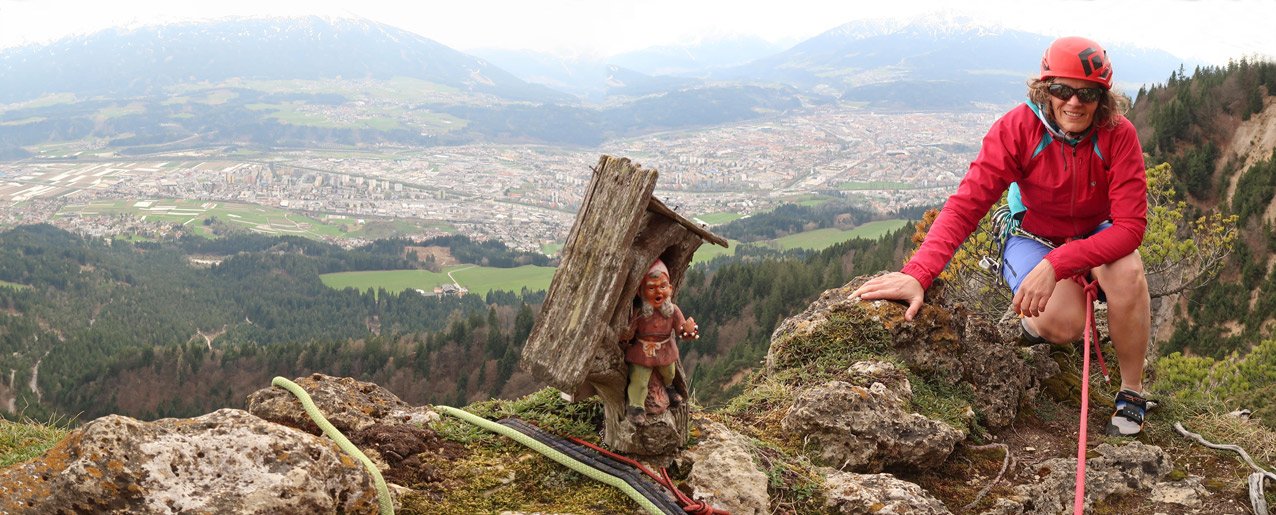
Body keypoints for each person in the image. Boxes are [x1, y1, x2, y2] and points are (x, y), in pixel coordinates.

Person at [850, 36, 1153, 436]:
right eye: (1062, 90)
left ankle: (1132, 390)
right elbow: (966, 205)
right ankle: (1036, 326)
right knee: (1063, 324)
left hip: (1092, 231)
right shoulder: (1017, 129)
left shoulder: (1118, 134)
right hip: (1032, 233)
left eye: (1088, 94)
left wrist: (1059, 264)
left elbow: (1130, 228)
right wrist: (918, 273)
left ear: (1103, 98)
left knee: (1128, 272)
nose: (1074, 103)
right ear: (1045, 89)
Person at [621, 259, 698, 423]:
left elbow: (682, 331)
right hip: (642, 352)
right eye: (651, 288)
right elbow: (629, 333)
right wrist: (625, 333)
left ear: (670, 289)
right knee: (639, 379)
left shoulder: (673, 311)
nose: (658, 292)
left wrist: (689, 330)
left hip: (665, 350)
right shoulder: (640, 312)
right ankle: (636, 406)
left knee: (669, 372)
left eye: (663, 286)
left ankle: (669, 388)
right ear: (641, 292)